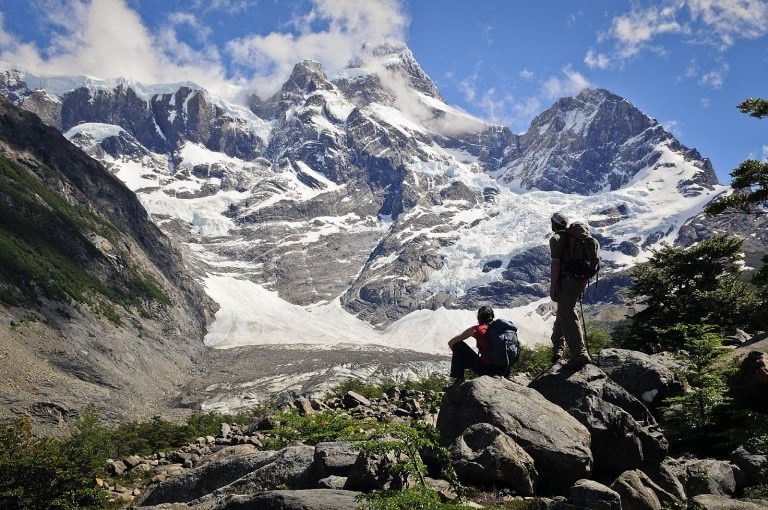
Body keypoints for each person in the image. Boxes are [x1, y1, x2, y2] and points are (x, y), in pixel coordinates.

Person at [549, 212, 591, 366]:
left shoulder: (556, 239)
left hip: (567, 281)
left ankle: (580, 355)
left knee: (567, 313)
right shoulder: (573, 237)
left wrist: (552, 287)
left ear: (554, 224)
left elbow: (555, 264)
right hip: (580, 280)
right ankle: (558, 351)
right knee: (562, 312)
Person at [447, 305, 510, 382]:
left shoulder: (476, 329)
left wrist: (460, 358)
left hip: (487, 370)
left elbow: (451, 343)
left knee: (458, 344)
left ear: (479, 317)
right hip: (505, 370)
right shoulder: (500, 329)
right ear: (492, 316)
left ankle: (458, 379)